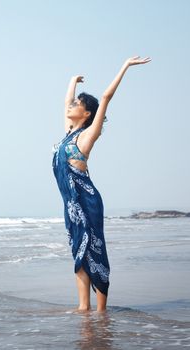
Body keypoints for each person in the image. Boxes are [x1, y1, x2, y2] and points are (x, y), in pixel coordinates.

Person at [52, 56, 151, 311]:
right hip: (71, 206)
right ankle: (84, 308)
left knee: (94, 252)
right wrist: (72, 81)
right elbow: (65, 102)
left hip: (87, 202)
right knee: (78, 253)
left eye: (77, 104)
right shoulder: (68, 134)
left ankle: (101, 311)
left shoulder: (86, 136)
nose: (71, 105)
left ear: (86, 114)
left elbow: (105, 98)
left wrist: (125, 66)